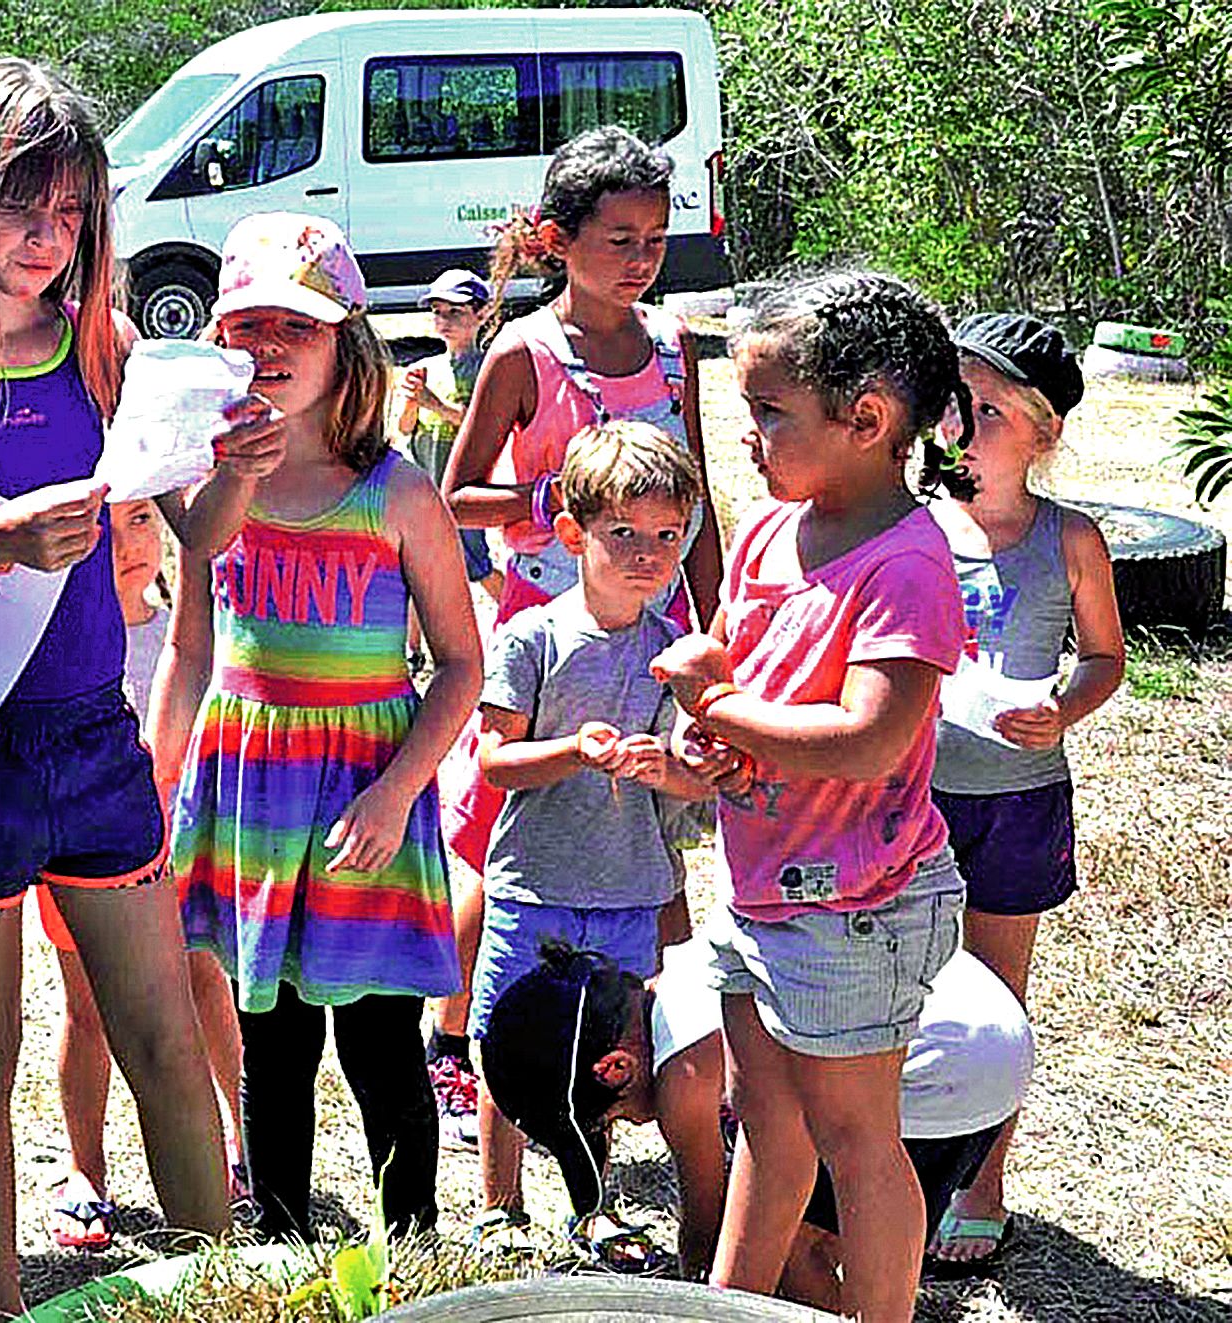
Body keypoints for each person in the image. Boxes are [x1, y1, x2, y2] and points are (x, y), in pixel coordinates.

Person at [0, 59, 283, 1319]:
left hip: (94, 737)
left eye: (73, 213)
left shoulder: (103, 342)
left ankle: (222, 1296)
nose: (48, 241)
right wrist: (0, 543)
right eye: (22, 207)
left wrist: (238, 466)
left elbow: (197, 531)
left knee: (163, 1045)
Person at [648, 271, 974, 1323]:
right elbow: (748, 690)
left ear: (867, 419)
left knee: (853, 1139)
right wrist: (711, 744)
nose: (746, 436)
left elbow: (867, 739)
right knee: (764, 1121)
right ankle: (729, 1310)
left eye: (768, 412)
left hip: (857, 908)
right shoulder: (765, 534)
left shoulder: (906, 564)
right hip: (764, 887)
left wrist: (717, 705)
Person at [164, 211, 482, 1243]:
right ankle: (282, 1249)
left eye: (294, 328)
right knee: (271, 1046)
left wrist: (396, 791)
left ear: (345, 343)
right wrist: (160, 781)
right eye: (245, 326)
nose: (267, 348)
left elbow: (460, 665)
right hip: (253, 788)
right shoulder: (211, 484)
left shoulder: (395, 491)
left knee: (381, 1047)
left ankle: (413, 1252)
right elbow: (194, 608)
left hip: (363, 793)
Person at [428, 126, 727, 1131]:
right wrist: (545, 496)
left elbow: (696, 497)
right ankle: (466, 1041)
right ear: (557, 240)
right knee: (505, 841)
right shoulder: (524, 351)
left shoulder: (674, 346)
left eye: (652, 239)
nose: (638, 260)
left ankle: (667, 1051)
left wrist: (713, 621)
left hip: (650, 631)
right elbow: (454, 493)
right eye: (617, 240)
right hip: (546, 629)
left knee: (649, 830)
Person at [465, 419, 716, 1246]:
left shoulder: (673, 653)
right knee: (508, 1037)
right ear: (571, 533)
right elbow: (494, 761)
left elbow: (694, 784)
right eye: (623, 533)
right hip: (533, 881)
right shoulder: (530, 636)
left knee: (607, 1048)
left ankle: (590, 1199)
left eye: (667, 535)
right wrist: (572, 750)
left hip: (629, 890)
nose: (646, 552)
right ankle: (498, 1203)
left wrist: (663, 769)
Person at [479, 939, 1033, 1310]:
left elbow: (711, 1226)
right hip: (988, 1035)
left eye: (613, 1115)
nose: (628, 1124)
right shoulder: (689, 970)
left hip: (947, 1070)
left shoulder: (682, 1073)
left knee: (788, 1243)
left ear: (616, 1067)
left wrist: (691, 1302)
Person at [923, 314, 1123, 1274]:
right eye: (955, 401)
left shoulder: (1069, 538)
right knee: (904, 980)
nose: (964, 423)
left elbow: (1104, 657)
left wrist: (1062, 706)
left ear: (1041, 435)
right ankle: (901, 1159)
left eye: (990, 409)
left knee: (997, 996)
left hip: (1016, 798)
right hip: (914, 792)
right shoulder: (915, 523)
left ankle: (981, 1180)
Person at [33, 498, 248, 1251]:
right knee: (86, 1006)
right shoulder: (62, 639)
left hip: (181, 845)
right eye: (103, 524)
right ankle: (85, 1170)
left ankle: (239, 1141)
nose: (123, 544)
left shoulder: (193, 634)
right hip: (84, 854)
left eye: (140, 522)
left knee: (204, 983)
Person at [395, 267, 506, 629]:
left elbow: (480, 425)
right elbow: (404, 428)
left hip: (461, 487)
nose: (444, 321)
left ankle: (519, 618)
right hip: (423, 485)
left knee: (478, 564)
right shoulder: (424, 367)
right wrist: (412, 402)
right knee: (410, 568)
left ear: (482, 314)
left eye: (455, 312)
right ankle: (412, 651)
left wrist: (432, 404)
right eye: (438, 312)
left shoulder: (489, 368)